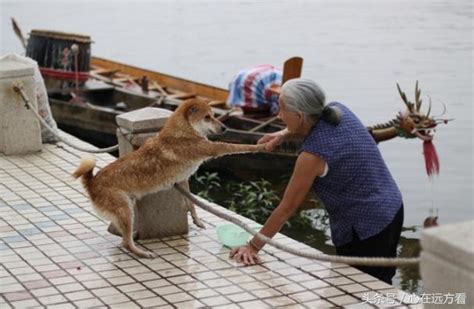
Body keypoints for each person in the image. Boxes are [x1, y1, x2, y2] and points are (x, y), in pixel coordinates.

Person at [229, 78, 404, 285]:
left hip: (367, 226)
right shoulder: (338, 110)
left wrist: (253, 246)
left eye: (282, 109)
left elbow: (287, 208)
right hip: (392, 207)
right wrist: (283, 134)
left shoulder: (312, 155)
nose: (278, 115)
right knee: (379, 282)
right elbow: (309, 123)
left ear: (299, 115)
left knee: (366, 288)